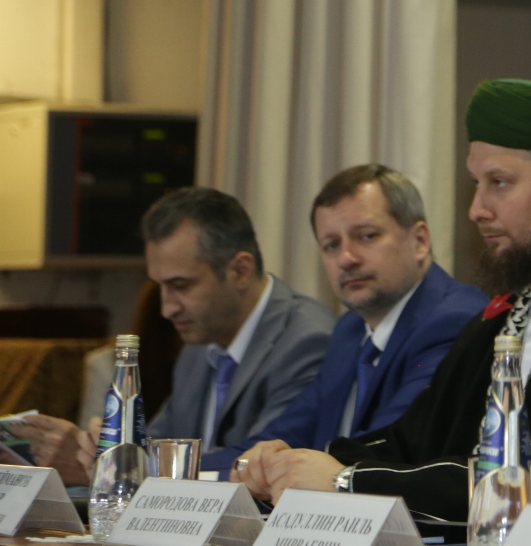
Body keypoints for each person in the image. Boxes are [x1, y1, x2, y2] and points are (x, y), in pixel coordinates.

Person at [240, 79, 531, 523]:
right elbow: (414, 440)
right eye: (477, 184)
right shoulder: (506, 313)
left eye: (499, 182)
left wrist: (346, 480)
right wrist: (296, 463)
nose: (477, 209)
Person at [15, 187, 335, 485]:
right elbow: (157, 442)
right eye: (160, 287)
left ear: (240, 271)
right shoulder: (202, 339)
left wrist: (117, 463)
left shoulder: (307, 340)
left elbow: (260, 463)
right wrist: (101, 448)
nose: (167, 309)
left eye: (181, 286)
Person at [205, 164, 487, 474]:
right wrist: (193, 469)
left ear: (420, 241)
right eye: (331, 245)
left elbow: (392, 447)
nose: (345, 258)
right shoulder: (349, 331)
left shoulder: (454, 321)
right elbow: (288, 432)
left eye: (366, 236)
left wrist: (282, 466)